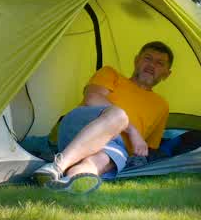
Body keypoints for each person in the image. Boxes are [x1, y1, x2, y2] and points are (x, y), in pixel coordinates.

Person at [33, 41, 173, 194]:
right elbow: (92, 99)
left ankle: (67, 183)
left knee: (98, 162)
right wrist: (132, 130)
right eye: (147, 58)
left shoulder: (162, 106)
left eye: (160, 63)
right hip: (83, 125)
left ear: (166, 73)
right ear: (136, 60)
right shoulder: (111, 74)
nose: (152, 65)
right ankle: (57, 166)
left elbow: (150, 147)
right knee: (118, 115)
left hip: (115, 147)